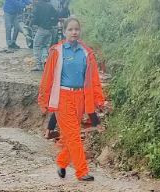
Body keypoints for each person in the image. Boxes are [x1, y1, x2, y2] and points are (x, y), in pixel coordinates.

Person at [37, 17, 106, 181]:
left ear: (79, 31)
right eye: (70, 29)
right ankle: (82, 172)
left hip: (81, 97)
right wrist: (44, 99)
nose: (74, 32)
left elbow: (94, 79)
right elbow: (47, 77)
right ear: (64, 32)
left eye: (76, 29)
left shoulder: (86, 53)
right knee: (74, 135)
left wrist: (98, 99)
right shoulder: (57, 51)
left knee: (70, 136)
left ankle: (62, 161)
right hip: (63, 97)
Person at [31, 0, 61, 70]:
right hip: (50, 29)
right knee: (46, 46)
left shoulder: (38, 5)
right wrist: (52, 23)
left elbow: (35, 18)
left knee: (37, 45)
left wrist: (35, 24)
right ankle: (45, 62)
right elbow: (56, 15)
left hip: (41, 28)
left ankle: (38, 65)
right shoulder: (50, 6)